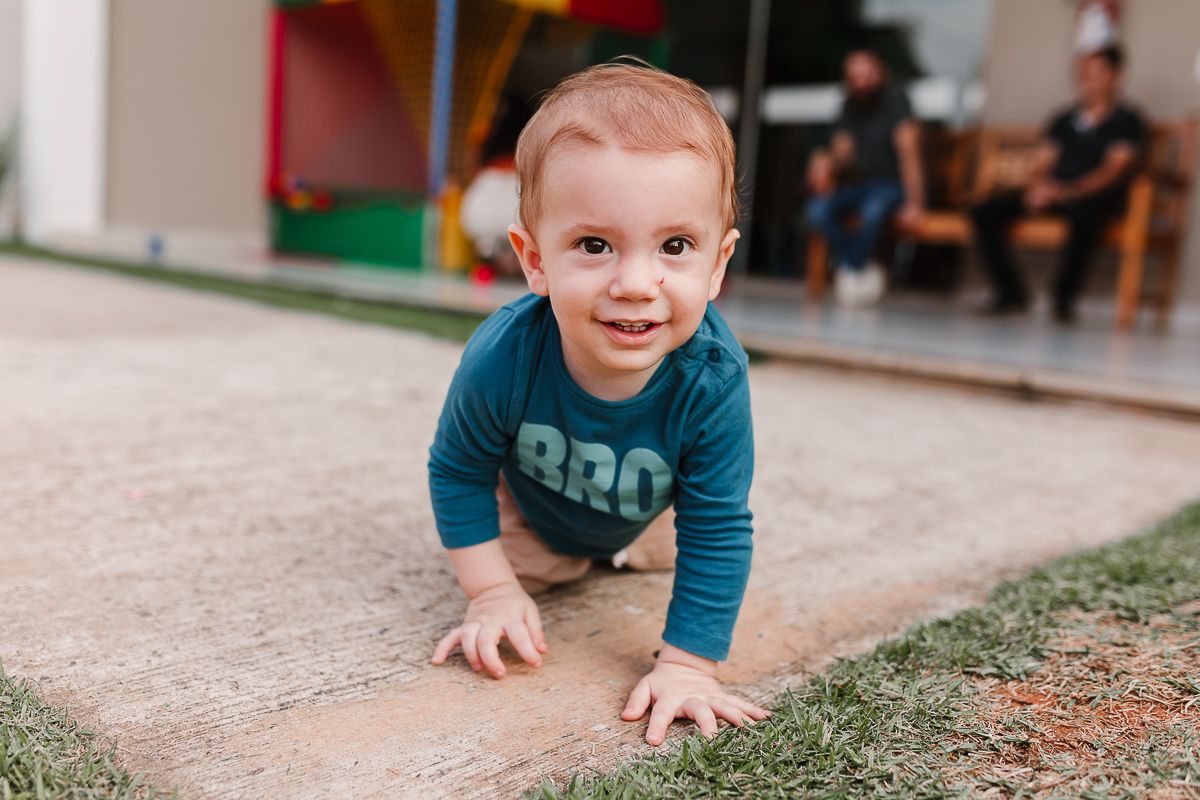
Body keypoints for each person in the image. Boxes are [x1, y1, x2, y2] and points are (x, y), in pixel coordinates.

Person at [427, 61, 770, 746]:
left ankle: (624, 550)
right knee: (520, 572)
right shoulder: (505, 355)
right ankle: (543, 564)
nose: (637, 283)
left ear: (718, 265)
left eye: (675, 246)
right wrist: (491, 591)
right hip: (536, 516)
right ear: (534, 259)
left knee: (690, 546)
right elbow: (458, 470)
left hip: (648, 519)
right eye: (594, 245)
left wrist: (688, 666)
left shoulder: (714, 379)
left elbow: (719, 524)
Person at [970, 45, 1145, 324]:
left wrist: (1070, 191)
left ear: (1116, 75)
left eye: (1095, 72)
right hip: (1054, 193)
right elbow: (1043, 161)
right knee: (984, 212)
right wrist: (1039, 188)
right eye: (1083, 73)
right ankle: (1010, 292)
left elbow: (1113, 170)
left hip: (1092, 197)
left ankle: (1064, 299)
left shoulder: (1127, 121)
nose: (1087, 79)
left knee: (1086, 217)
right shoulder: (1063, 120)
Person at [805, 49, 925, 307]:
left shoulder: (896, 100)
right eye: (854, 77)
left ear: (880, 74)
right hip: (858, 187)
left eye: (866, 75)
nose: (860, 82)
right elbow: (842, 152)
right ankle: (858, 264)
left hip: (890, 185)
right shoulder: (849, 104)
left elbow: (910, 154)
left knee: (872, 211)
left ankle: (849, 267)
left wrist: (915, 203)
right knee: (816, 211)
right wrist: (826, 160)